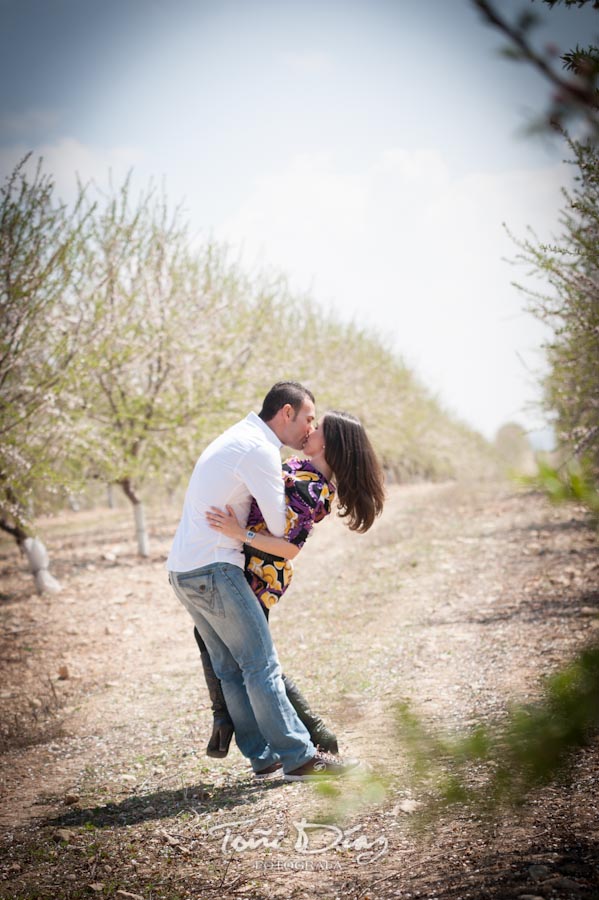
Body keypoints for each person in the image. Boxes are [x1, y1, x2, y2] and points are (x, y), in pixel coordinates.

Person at [168, 382, 360, 782]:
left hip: (183, 568)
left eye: (317, 425)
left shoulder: (240, 435)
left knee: (230, 669)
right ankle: (299, 758)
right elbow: (280, 529)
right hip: (216, 568)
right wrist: (243, 532)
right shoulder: (260, 450)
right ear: (286, 413)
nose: (309, 428)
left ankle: (262, 756)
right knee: (261, 666)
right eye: (308, 418)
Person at [202, 410, 386, 761]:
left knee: (256, 659)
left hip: (259, 572)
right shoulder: (303, 468)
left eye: (318, 428)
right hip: (249, 565)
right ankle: (236, 721)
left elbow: (289, 549)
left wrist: (238, 533)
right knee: (243, 653)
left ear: (331, 444)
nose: (309, 430)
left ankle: (307, 731)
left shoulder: (311, 486)